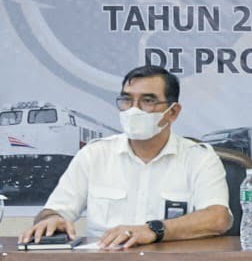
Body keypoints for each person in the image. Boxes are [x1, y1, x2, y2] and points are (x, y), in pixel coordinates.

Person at [19, 65, 232, 249]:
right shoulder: (94, 155)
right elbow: (53, 211)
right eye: (127, 100)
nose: (133, 110)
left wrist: (154, 230)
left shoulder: (198, 157)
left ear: (173, 112)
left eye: (148, 101)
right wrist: (52, 219)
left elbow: (217, 218)